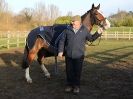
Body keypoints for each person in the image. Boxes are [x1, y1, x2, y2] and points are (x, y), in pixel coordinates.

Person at [58, 15, 103, 94]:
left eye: (74, 22)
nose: (72, 23)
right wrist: (60, 51)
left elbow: (91, 38)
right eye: (72, 22)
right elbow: (62, 41)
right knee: (69, 71)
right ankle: (69, 85)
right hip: (68, 55)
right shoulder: (67, 30)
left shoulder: (84, 30)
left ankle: (76, 86)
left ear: (79, 22)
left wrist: (98, 33)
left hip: (79, 55)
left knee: (77, 71)